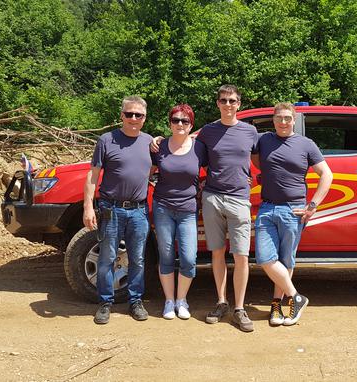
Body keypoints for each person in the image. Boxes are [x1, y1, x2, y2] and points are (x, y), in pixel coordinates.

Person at [254, 102, 332, 326]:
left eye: (288, 118)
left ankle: (277, 306)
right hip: (267, 207)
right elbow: (251, 156)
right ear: (273, 119)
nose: (283, 122)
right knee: (266, 258)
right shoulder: (264, 140)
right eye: (279, 118)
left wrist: (313, 205)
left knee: (286, 260)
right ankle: (296, 297)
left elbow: (326, 174)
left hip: (294, 209)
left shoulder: (306, 144)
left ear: (294, 120)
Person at [83, 96, 153, 325]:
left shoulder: (150, 142)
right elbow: (92, 175)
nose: (133, 119)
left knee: (138, 259)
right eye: (129, 114)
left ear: (144, 118)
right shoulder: (107, 140)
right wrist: (88, 208)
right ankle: (105, 302)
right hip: (111, 209)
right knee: (107, 259)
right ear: (121, 115)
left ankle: (135, 301)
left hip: (139, 211)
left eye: (138, 115)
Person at [199, 84, 259, 332]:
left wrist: (250, 177)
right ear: (218, 104)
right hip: (212, 198)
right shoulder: (207, 131)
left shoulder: (251, 131)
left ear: (239, 104)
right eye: (223, 100)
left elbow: (258, 161)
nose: (227, 104)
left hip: (239, 199)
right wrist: (158, 140)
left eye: (232, 100)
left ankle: (240, 308)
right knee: (216, 252)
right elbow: (188, 149)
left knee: (241, 255)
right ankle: (222, 302)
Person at [151, 104, 207, 320]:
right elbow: (145, 169)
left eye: (185, 121)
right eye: (176, 120)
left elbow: (214, 170)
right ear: (170, 123)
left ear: (191, 124)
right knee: (165, 254)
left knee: (189, 257)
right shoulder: (159, 147)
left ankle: (182, 300)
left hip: (188, 209)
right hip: (163, 207)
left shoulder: (199, 148)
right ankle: (169, 301)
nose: (180, 124)